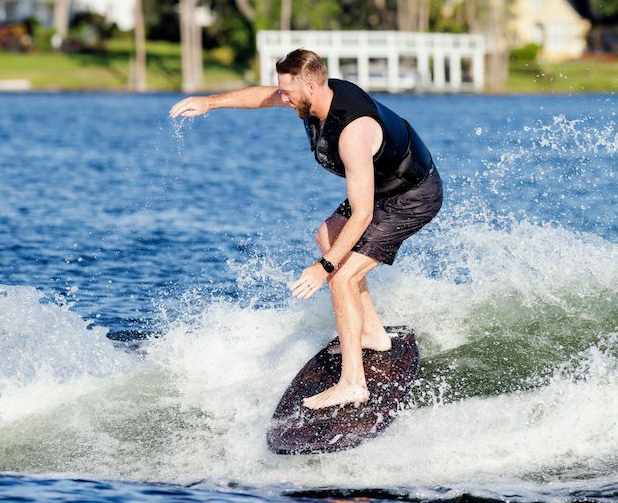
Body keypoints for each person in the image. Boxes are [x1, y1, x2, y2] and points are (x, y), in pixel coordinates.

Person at [169, 49, 442, 409]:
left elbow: (361, 215)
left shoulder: (353, 133)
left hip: (411, 194)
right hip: (384, 185)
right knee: (326, 235)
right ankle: (373, 334)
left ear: (311, 85)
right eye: (283, 90)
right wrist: (211, 102)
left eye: (288, 92)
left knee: (340, 276)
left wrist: (324, 266)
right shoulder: (311, 98)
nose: (283, 98)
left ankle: (353, 384)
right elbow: (265, 96)